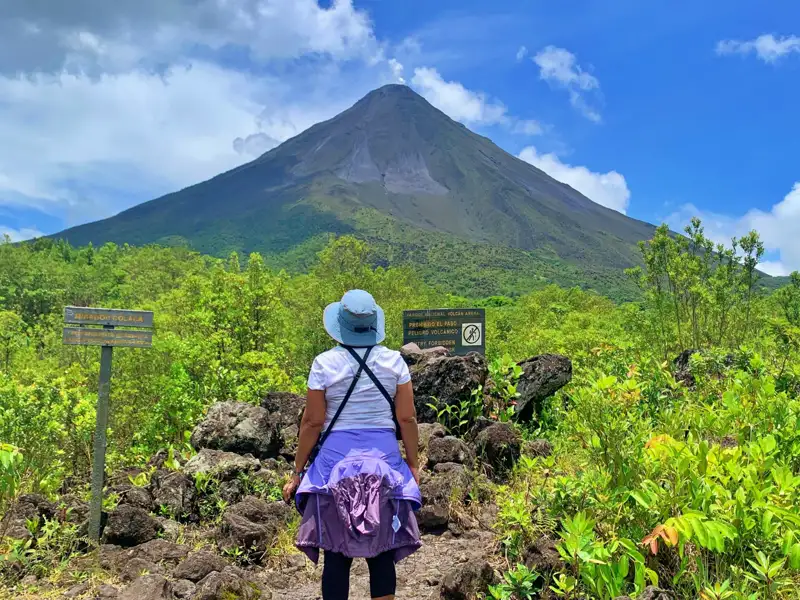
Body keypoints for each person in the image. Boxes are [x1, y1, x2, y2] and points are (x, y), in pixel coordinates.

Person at [282, 289, 422, 600]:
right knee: (382, 553)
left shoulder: (324, 363)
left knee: (336, 555)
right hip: (384, 464)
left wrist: (298, 469)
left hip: (334, 467)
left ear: (340, 325)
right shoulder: (394, 362)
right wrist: (412, 464)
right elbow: (408, 419)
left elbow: (312, 422)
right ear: (373, 324)